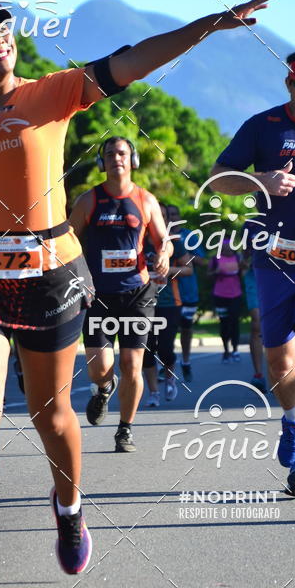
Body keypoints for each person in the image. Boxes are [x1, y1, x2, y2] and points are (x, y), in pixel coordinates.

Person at [0, 0, 278, 588]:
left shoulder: (51, 93)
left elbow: (134, 59)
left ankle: (69, 505)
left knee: (49, 415)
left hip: (48, 276)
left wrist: (210, 25)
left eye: (3, 25)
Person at [210, 46, 295, 497]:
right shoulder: (263, 126)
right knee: (280, 363)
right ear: (288, 83)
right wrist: (261, 181)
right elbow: (217, 177)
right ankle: (290, 421)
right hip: (273, 262)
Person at [69, 136, 170, 452]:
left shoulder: (146, 200)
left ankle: (125, 429)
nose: (116, 158)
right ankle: (104, 388)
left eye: (122, 153)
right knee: (98, 368)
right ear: (102, 162)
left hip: (136, 294)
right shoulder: (89, 201)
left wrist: (164, 254)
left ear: (133, 160)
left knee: (132, 364)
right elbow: (68, 242)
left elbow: (162, 241)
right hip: (97, 295)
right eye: (110, 153)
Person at [142, 205, 193, 403]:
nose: (159, 219)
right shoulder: (138, 242)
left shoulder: (173, 243)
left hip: (169, 302)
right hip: (142, 302)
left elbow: (188, 270)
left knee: (165, 349)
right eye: (157, 215)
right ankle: (153, 392)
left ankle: (170, 379)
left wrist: (168, 270)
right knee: (146, 349)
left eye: (163, 216)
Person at [165, 203, 206, 383]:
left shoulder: (189, 236)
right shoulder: (159, 235)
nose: (172, 217)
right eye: (169, 214)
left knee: (186, 328)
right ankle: (167, 364)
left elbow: (202, 261)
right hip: (166, 293)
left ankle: (186, 361)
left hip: (188, 290)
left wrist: (183, 252)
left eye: (175, 214)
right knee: (168, 332)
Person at [208, 240, 243, 362]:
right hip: (220, 295)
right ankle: (226, 350)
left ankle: (235, 350)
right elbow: (208, 275)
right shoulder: (215, 259)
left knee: (234, 321)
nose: (228, 250)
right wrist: (215, 272)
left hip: (236, 295)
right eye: (224, 248)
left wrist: (243, 269)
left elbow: (242, 274)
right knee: (224, 323)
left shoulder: (238, 258)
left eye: (229, 248)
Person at [242, 220, 266, 392]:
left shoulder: (287, 213)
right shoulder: (250, 225)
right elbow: (245, 253)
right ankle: (258, 374)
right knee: (256, 323)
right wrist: (245, 261)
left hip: (282, 276)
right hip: (255, 275)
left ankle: (285, 372)